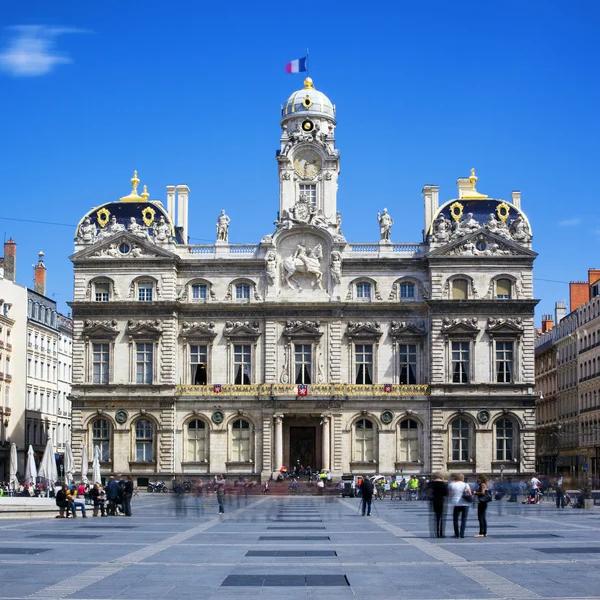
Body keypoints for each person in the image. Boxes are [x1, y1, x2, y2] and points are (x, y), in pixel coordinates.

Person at [448, 473, 471, 538]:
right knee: (464, 519)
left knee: (455, 519)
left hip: (455, 503)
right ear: (462, 478)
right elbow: (470, 494)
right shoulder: (466, 484)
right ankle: (462, 534)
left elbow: (451, 494)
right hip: (465, 504)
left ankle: (456, 534)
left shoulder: (452, 484)